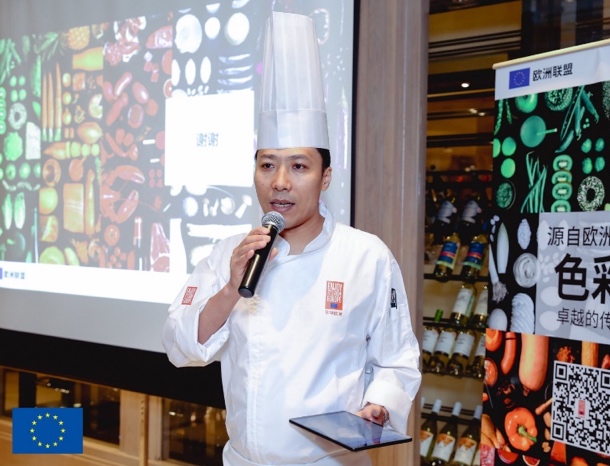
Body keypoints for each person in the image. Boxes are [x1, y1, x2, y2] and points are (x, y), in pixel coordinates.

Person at [162, 11, 421, 466]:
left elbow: (396, 361)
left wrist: (379, 406)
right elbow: (179, 346)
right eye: (267, 165)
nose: (279, 182)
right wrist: (231, 288)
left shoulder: (366, 257)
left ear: (325, 178)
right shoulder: (229, 254)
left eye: (298, 166)